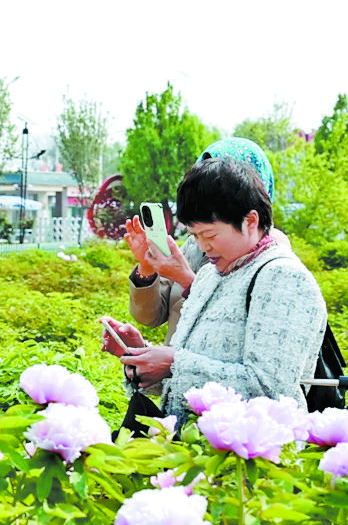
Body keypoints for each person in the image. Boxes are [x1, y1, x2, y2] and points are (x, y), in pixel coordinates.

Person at [112, 157, 326, 427]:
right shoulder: (210, 275)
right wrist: (143, 355)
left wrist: (174, 363)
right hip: (193, 456)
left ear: (250, 221)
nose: (203, 247)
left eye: (210, 236)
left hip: (246, 461)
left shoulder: (284, 279)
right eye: (196, 236)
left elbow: (271, 390)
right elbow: (188, 375)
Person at [103, 138, 287, 395]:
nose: (205, 246)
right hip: (184, 399)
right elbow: (153, 317)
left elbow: (260, 378)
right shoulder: (194, 245)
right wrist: (146, 268)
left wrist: (187, 279)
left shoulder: (275, 266)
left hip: (229, 416)